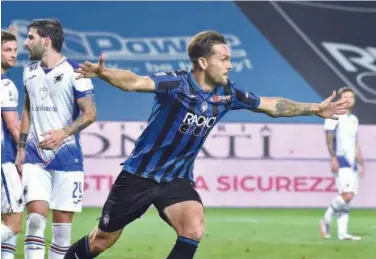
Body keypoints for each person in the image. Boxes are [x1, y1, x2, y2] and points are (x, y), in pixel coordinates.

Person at [64, 31, 349, 259]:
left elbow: (271, 105)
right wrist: (103, 73)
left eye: (229, 59)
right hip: (139, 176)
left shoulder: (228, 93)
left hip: (176, 179)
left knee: (194, 227)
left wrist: (315, 108)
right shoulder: (176, 83)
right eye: (223, 59)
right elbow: (136, 82)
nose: (229, 64)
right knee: (101, 240)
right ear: (203, 62)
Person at [15, 19, 96, 259]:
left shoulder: (76, 72)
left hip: (67, 157)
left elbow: (90, 113)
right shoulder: (28, 71)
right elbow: (28, 110)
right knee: (36, 221)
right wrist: (21, 148)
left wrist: (63, 132)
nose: (26, 43)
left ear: (46, 40)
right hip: (34, 156)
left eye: (30, 37)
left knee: (62, 232)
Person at [320, 87, 364, 241]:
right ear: (339, 98)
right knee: (347, 194)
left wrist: (361, 163)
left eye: (351, 97)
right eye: (345, 96)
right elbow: (329, 137)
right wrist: (333, 158)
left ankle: (342, 233)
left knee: (348, 197)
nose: (348, 99)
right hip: (341, 159)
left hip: (352, 163)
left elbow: (355, 143)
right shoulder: (334, 115)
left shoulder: (353, 119)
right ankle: (326, 218)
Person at [1, 30, 23, 259]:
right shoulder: (5, 86)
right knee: (14, 224)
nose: (13, 55)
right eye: (7, 50)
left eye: (15, 50)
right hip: (3, 161)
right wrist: (28, 152)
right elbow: (14, 128)